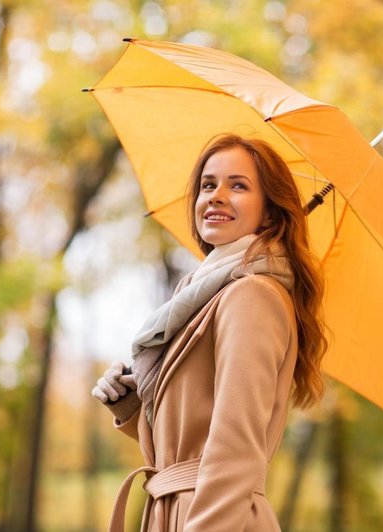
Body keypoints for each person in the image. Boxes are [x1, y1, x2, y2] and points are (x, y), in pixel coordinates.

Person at [91, 133, 327, 531]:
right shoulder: (199, 297)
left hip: (215, 517)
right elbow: (188, 442)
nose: (216, 195)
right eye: (208, 184)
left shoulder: (252, 295)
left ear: (269, 213)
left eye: (238, 185)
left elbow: (235, 451)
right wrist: (132, 408)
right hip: (179, 511)